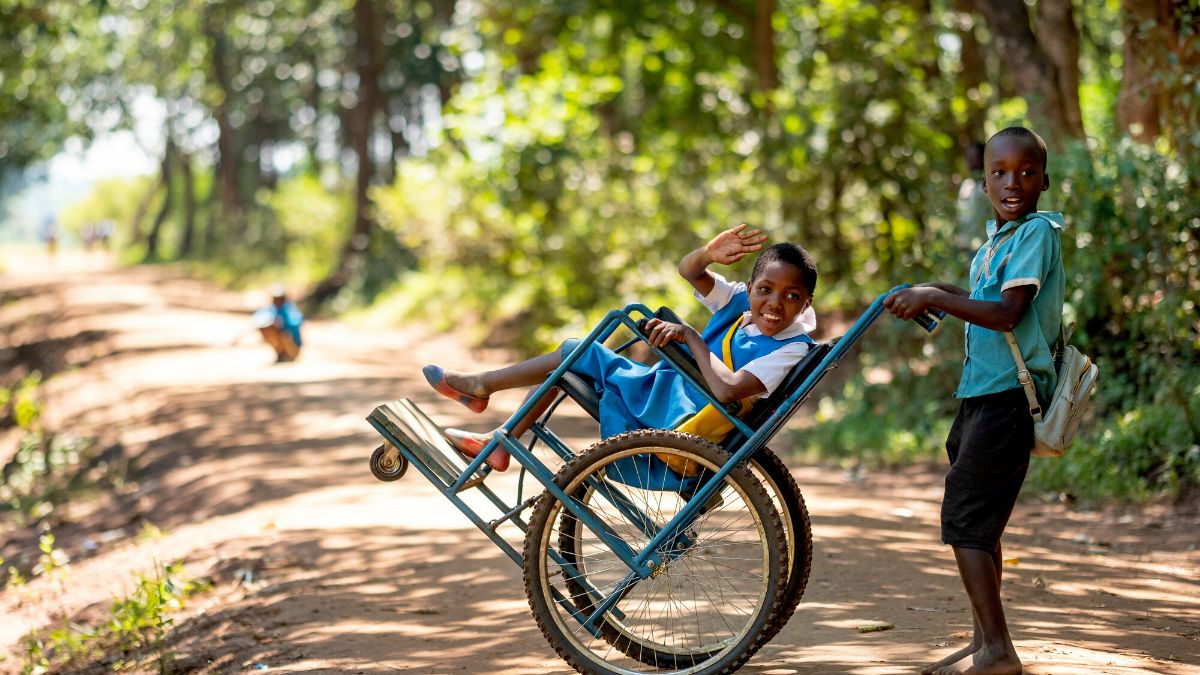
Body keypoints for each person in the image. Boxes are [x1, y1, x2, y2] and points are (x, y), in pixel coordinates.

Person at [884, 126, 1065, 675]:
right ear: (983, 180)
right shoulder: (996, 241)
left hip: (1009, 397)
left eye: (1026, 172)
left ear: (1044, 180)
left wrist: (936, 296)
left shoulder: (1036, 233)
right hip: (978, 395)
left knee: (964, 519)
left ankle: (998, 651)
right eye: (1000, 173)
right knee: (980, 524)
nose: (1013, 183)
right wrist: (932, 291)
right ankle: (986, 638)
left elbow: (1007, 313)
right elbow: (984, 300)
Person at [423, 224, 819, 472]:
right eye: (765, 290)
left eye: (790, 296)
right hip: (663, 390)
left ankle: (481, 388)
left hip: (677, 420)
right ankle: (500, 440)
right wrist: (708, 254)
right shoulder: (737, 300)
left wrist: (690, 336)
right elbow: (689, 270)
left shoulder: (790, 349)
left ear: (806, 305)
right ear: (750, 288)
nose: (773, 303)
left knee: (576, 351)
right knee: (572, 362)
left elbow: (729, 390)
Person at [253, 285, 305, 363]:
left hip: (293, 345)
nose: (277, 300)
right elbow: (258, 319)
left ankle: (289, 354)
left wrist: (282, 325)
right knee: (266, 328)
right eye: (275, 298)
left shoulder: (290, 310)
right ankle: (281, 353)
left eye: (279, 298)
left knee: (284, 333)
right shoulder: (272, 309)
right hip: (281, 342)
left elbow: (295, 324)